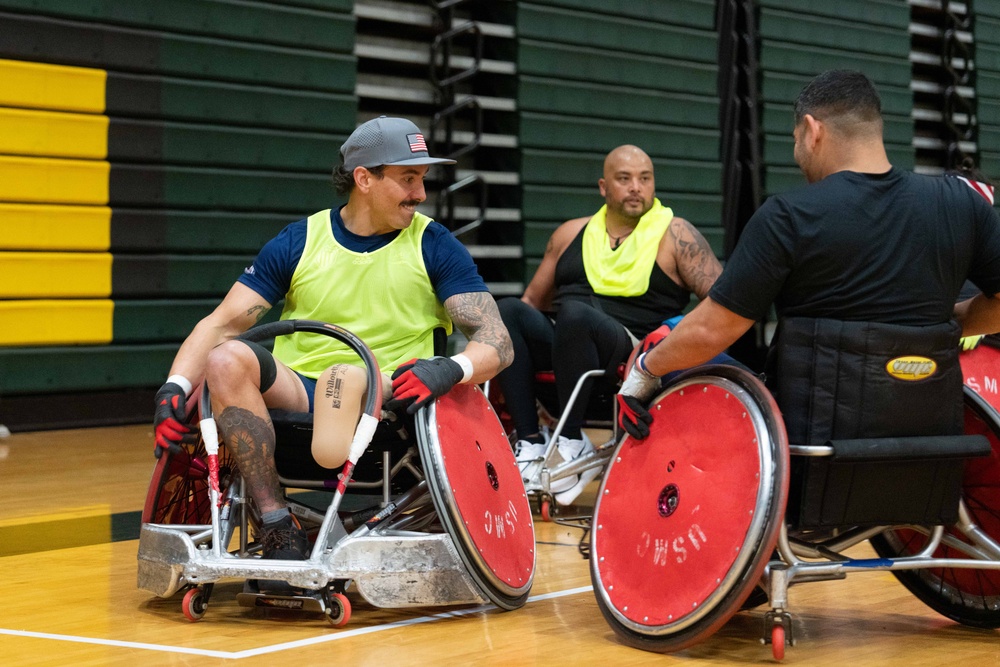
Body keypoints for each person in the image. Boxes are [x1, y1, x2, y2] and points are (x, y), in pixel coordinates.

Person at [152, 116, 514, 584]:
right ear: (364, 178)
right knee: (226, 359)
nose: (421, 194)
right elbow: (222, 323)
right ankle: (277, 521)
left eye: (422, 180)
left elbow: (498, 341)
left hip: (386, 396)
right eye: (408, 178)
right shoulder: (301, 240)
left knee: (345, 374)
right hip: (298, 393)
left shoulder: (434, 245)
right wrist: (175, 385)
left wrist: (450, 368)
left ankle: (337, 407)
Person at [617, 70, 1000, 442]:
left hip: (813, 449)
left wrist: (646, 368)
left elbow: (712, 330)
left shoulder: (788, 215)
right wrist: (949, 324)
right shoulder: (965, 204)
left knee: (667, 337)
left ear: (813, 130)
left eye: (796, 138)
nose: (797, 154)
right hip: (932, 451)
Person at [494, 144, 723, 506]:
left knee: (575, 315)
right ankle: (531, 442)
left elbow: (724, 305)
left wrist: (676, 337)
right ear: (603, 187)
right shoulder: (570, 233)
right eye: (625, 178)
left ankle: (571, 439)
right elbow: (530, 303)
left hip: (632, 358)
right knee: (507, 310)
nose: (636, 187)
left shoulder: (677, 235)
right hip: (565, 347)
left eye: (644, 179)